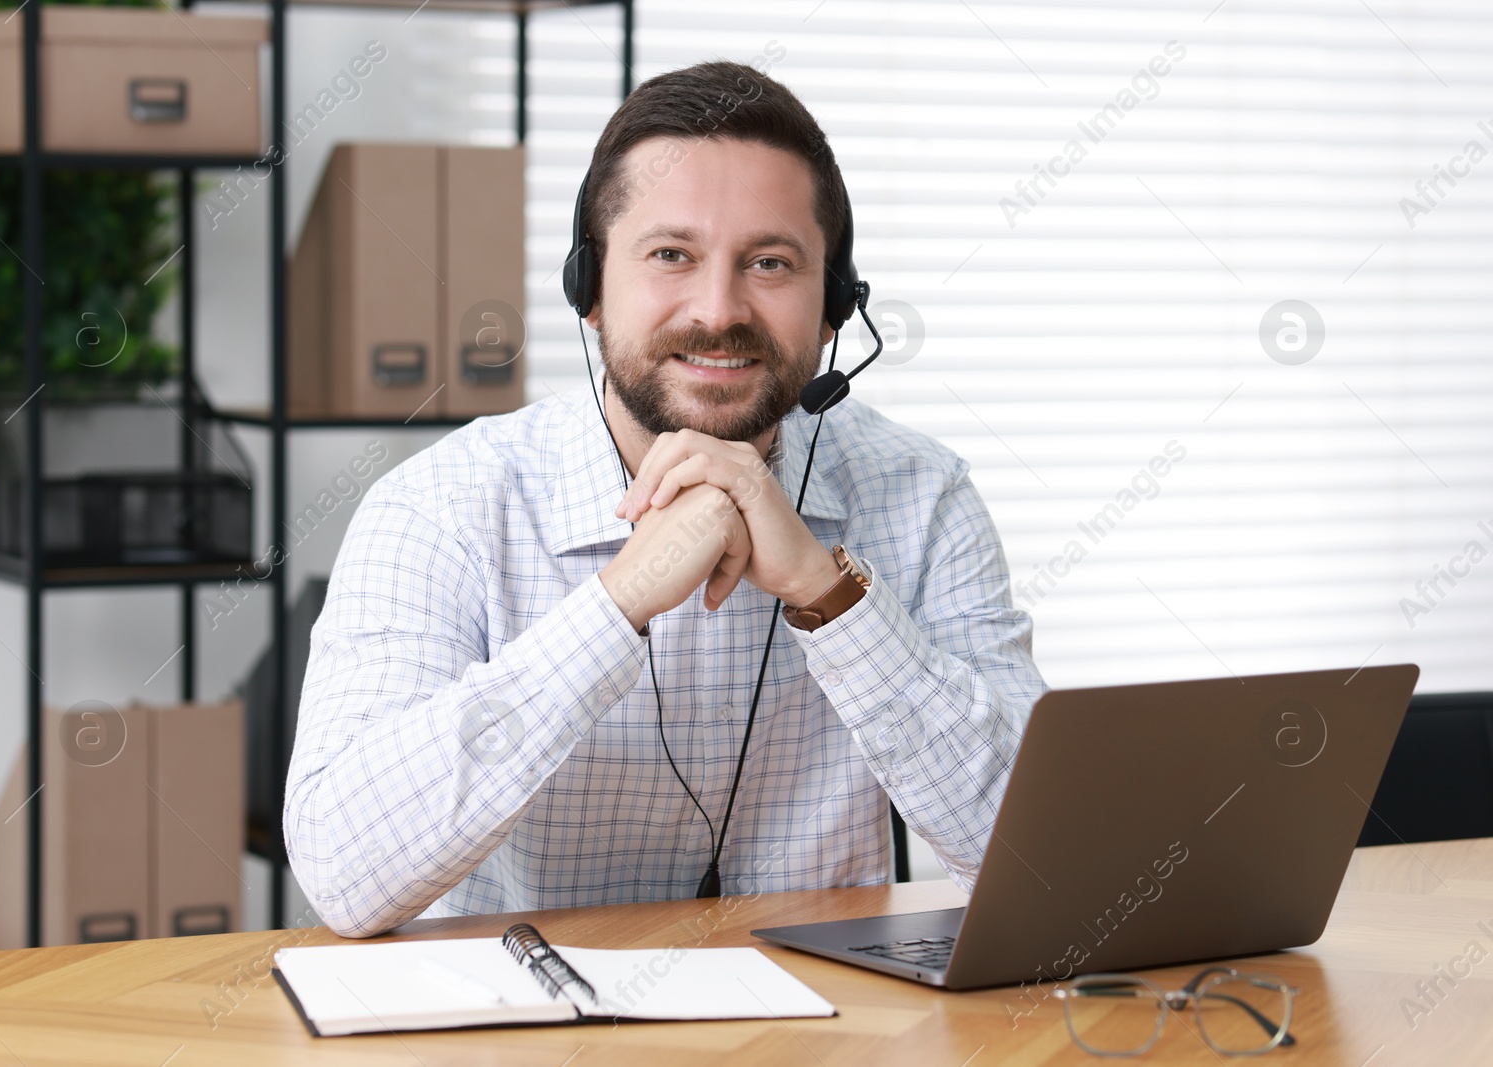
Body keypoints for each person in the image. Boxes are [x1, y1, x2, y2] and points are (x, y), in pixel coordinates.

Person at [285, 60, 1047, 938]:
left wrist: (833, 598)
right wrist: (617, 602)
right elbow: (344, 874)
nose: (718, 310)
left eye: (770, 262)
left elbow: (1048, 866)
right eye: (671, 255)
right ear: (591, 291)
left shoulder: (922, 494)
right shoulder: (440, 507)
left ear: (834, 306)